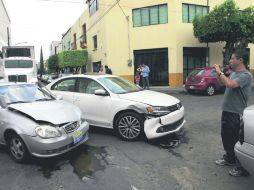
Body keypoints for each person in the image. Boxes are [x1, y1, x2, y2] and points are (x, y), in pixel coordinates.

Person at [214, 49, 253, 177]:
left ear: (240, 60)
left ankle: (242, 167)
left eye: (232, 58)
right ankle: (229, 158)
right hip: (227, 111)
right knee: (226, 137)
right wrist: (218, 73)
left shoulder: (246, 75)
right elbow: (222, 83)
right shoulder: (234, 73)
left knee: (236, 139)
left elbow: (230, 84)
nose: (230, 61)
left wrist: (220, 72)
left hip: (236, 113)